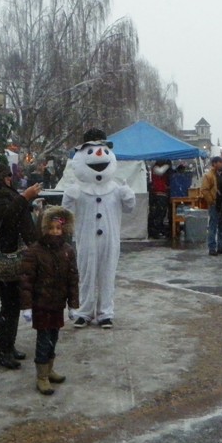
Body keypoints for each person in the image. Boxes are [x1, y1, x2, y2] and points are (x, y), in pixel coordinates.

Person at [63, 128, 135, 329]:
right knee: (86, 275)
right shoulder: (79, 189)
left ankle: (105, 312)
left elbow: (130, 209)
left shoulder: (116, 189)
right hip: (85, 238)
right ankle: (84, 312)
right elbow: (64, 215)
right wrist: (68, 198)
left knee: (107, 275)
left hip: (110, 240)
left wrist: (128, 195)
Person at [0, 161, 42, 369]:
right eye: (6, 175)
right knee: (11, 304)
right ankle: (4, 350)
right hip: (4, 257)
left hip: (13, 255)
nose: (10, 178)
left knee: (12, 303)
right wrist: (24, 198)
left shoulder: (1, 193)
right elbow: (6, 217)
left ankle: (7, 341)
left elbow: (15, 214)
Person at [19, 206, 79, 395]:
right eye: (51, 228)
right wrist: (27, 306)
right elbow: (26, 280)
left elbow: (72, 279)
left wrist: (73, 305)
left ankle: (49, 368)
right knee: (44, 339)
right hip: (41, 304)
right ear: (44, 229)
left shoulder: (67, 251)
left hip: (57, 304)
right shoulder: (35, 252)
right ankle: (42, 375)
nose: (55, 232)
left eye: (58, 228)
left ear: (64, 229)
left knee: (53, 337)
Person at [200, 156, 222, 256]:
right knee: (213, 225)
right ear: (214, 163)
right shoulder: (209, 175)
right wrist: (211, 201)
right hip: (215, 204)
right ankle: (212, 247)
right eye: (220, 162)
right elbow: (204, 189)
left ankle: (221, 246)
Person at [148, 159, 171, 239]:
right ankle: (155, 231)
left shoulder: (157, 168)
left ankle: (158, 230)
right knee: (158, 213)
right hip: (159, 194)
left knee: (161, 213)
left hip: (162, 194)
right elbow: (160, 171)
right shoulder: (155, 168)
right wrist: (168, 165)